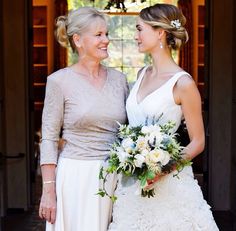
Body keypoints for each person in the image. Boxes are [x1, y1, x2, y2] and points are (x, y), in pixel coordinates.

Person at [108, 3, 219, 230]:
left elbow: (198, 141)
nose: (135, 35)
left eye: (140, 29)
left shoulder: (183, 83)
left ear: (160, 32)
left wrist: (160, 171)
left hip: (170, 186)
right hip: (133, 185)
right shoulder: (141, 74)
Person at [38, 7, 128, 231]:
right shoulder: (59, 81)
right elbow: (49, 138)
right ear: (77, 40)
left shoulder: (120, 80)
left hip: (115, 177)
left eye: (106, 34)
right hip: (75, 177)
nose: (106, 40)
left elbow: (129, 130)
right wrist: (48, 192)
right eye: (98, 35)